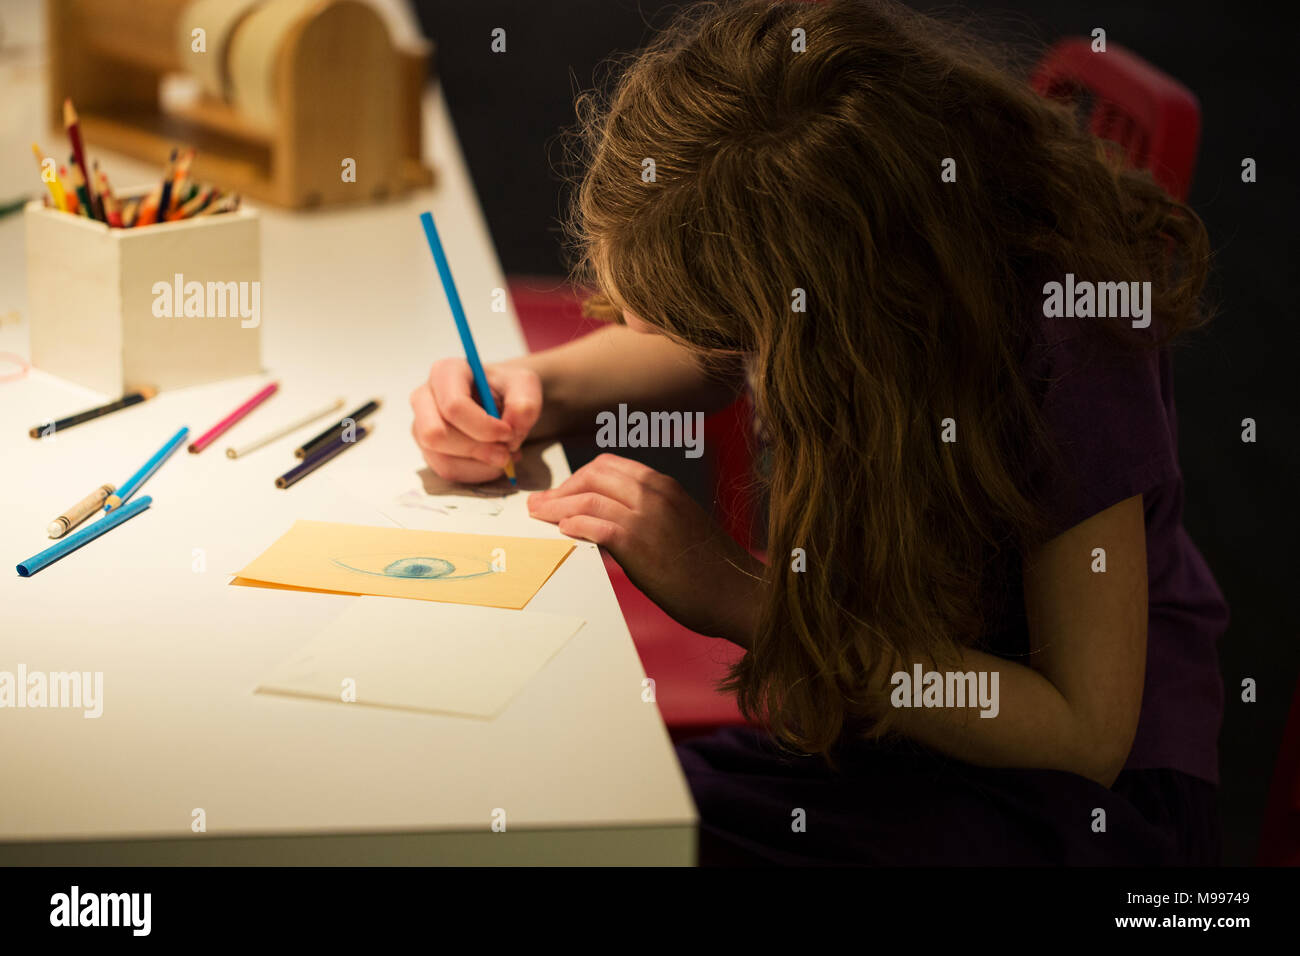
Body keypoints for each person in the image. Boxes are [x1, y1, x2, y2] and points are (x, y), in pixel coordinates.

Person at [409, 0, 1226, 865]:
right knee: (575, 815)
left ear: (823, 305)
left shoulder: (1068, 345)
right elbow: (711, 343)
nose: (709, 341)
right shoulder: (874, 259)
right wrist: (538, 386)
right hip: (879, 717)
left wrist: (740, 596)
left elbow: (1080, 736)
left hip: (1061, 800)